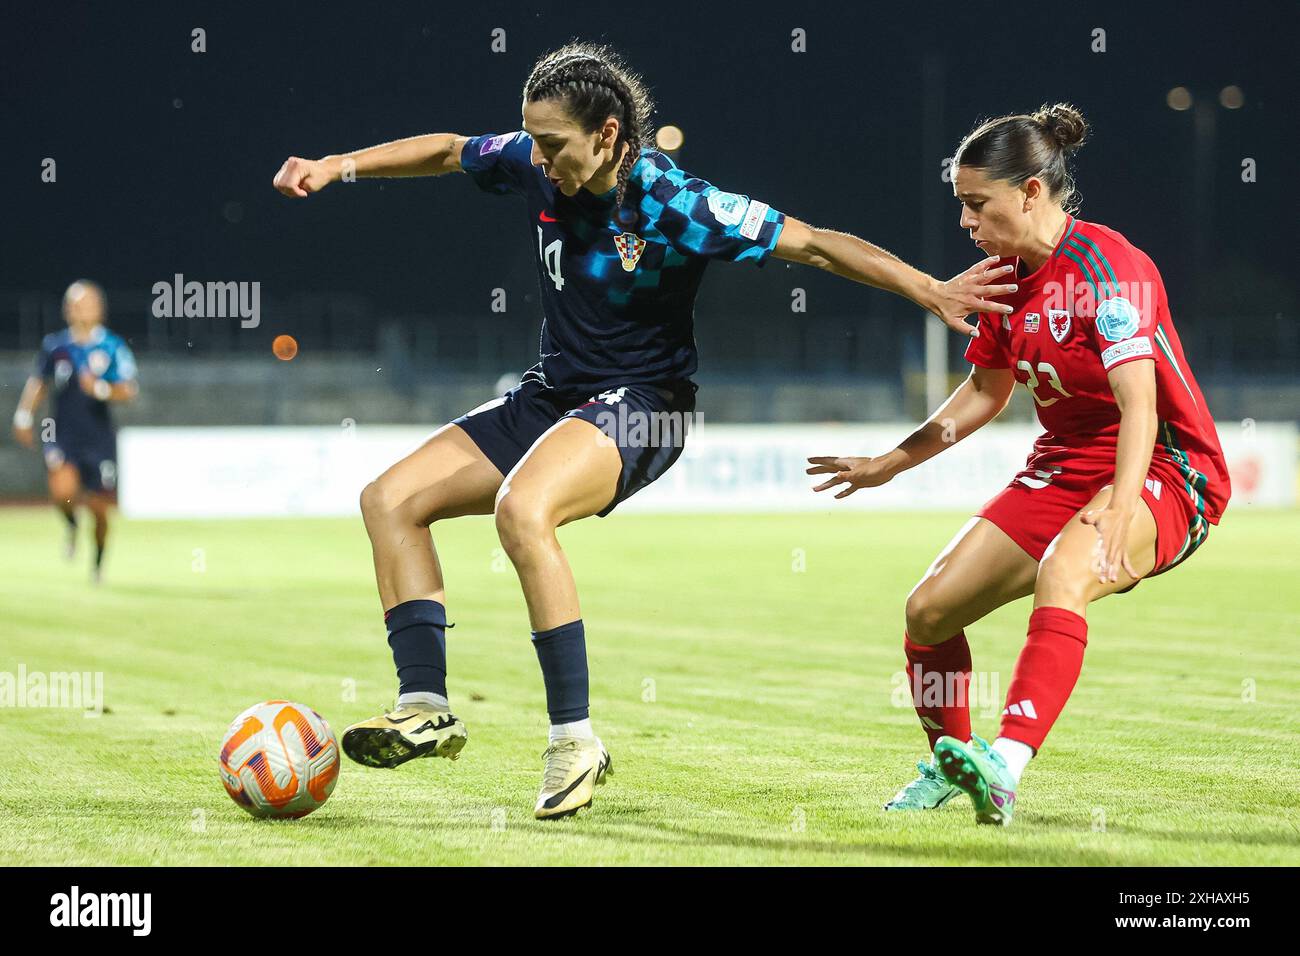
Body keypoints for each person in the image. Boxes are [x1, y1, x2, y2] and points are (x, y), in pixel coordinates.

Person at [272, 41, 1016, 819]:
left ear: (608, 132)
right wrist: (337, 164)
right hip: (553, 394)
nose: (538, 158)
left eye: (554, 144)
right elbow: (451, 151)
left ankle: (573, 741)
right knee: (389, 498)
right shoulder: (534, 161)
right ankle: (424, 703)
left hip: (645, 404)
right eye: (532, 140)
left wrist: (930, 289)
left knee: (523, 511)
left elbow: (816, 243)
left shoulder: (674, 201)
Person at [808, 104, 1230, 826]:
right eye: (962, 207)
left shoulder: (1111, 268)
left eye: (977, 205)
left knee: (1066, 572)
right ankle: (954, 761)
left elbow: (1141, 406)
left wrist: (1123, 505)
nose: (966, 224)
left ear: (1031, 191)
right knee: (929, 610)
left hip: (1166, 466)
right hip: (1064, 464)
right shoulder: (1003, 278)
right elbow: (983, 392)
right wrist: (889, 464)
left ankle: (1006, 765)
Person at [12, 280, 139, 583]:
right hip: (61, 433)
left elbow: (129, 389)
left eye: (86, 303)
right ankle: (70, 524)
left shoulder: (111, 346)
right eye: (74, 304)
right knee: (63, 492)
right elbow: (39, 383)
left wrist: (102, 388)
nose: (79, 309)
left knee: (98, 509)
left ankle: (97, 563)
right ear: (67, 309)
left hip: (99, 438)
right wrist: (23, 416)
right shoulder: (56, 346)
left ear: (100, 309)